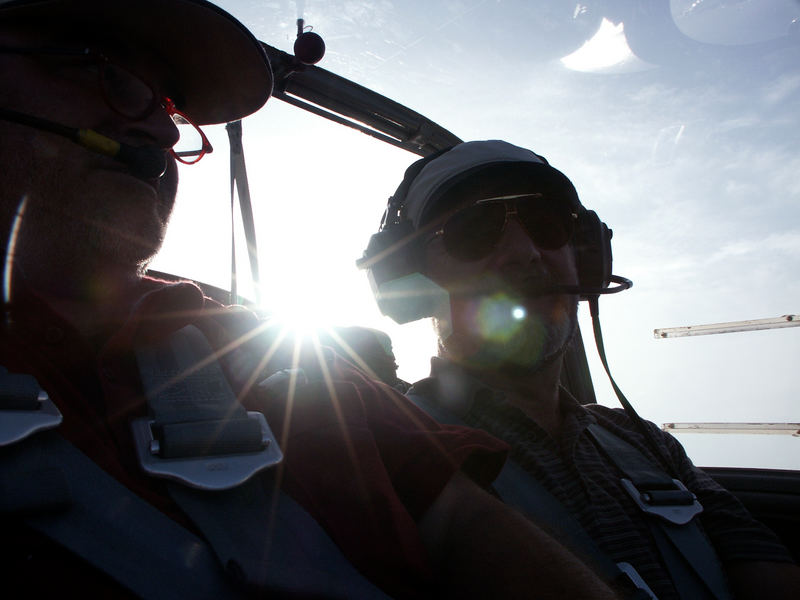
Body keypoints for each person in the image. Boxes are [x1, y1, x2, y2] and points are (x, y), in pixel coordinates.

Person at [0, 2, 628, 598]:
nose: (162, 128)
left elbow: (464, 530)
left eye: (169, 100)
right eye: (100, 66)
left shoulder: (279, 359)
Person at [358, 139, 800, 599]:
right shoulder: (387, 444)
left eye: (546, 225)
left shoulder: (649, 444)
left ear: (586, 258)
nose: (525, 253)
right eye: (473, 229)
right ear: (410, 281)